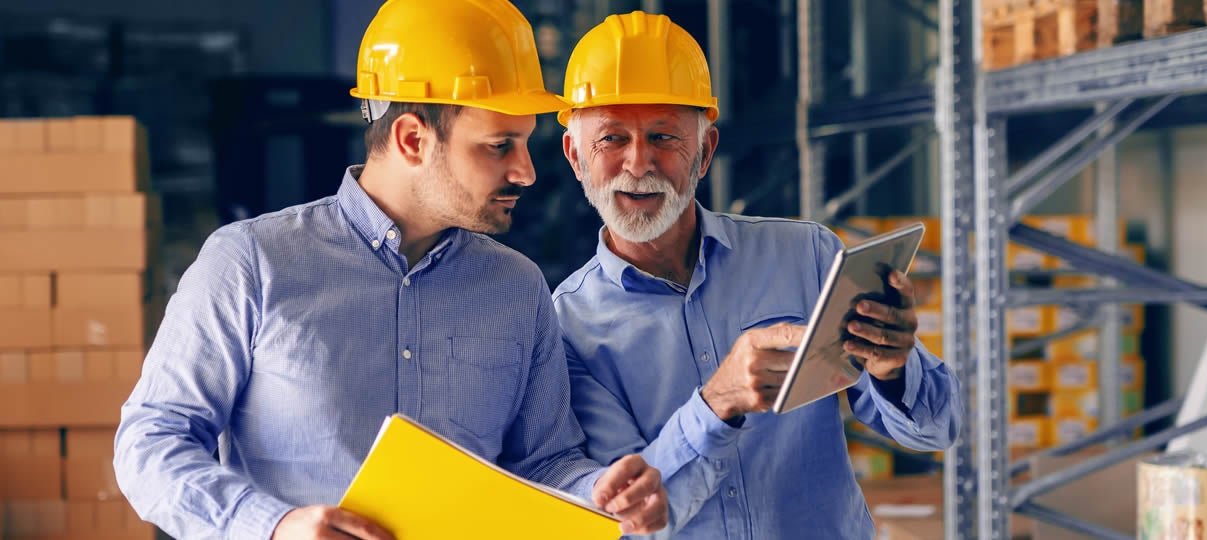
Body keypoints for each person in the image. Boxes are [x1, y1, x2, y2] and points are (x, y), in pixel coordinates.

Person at [113, 2, 667, 538]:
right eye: (500, 146)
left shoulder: (517, 288)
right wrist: (274, 526)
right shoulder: (251, 264)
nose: (524, 172)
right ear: (412, 139)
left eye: (523, 144)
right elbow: (151, 443)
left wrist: (599, 492)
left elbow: (544, 463)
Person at [551, 11, 963, 540]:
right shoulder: (565, 328)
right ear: (575, 156)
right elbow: (635, 519)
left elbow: (938, 427)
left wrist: (893, 368)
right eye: (611, 139)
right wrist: (718, 402)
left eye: (663, 137)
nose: (638, 162)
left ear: (704, 153)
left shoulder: (806, 255)